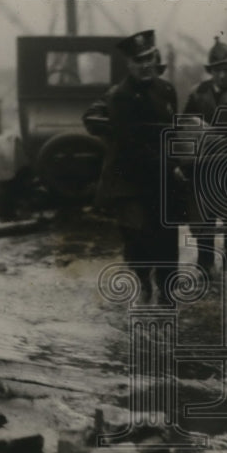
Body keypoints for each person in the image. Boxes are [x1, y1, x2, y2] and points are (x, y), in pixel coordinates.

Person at [93, 30, 180, 304]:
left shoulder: (166, 90)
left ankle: (167, 295)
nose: (145, 65)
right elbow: (131, 146)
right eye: (138, 60)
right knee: (138, 240)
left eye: (149, 58)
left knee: (167, 239)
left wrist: (177, 165)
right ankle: (143, 285)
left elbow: (173, 135)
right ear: (129, 64)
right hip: (132, 182)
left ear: (155, 58)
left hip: (163, 179)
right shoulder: (121, 97)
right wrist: (169, 167)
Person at [182, 37, 227, 276]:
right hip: (202, 170)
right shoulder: (197, 94)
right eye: (217, 71)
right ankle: (205, 268)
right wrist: (185, 165)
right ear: (211, 71)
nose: (222, 76)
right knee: (203, 223)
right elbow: (185, 129)